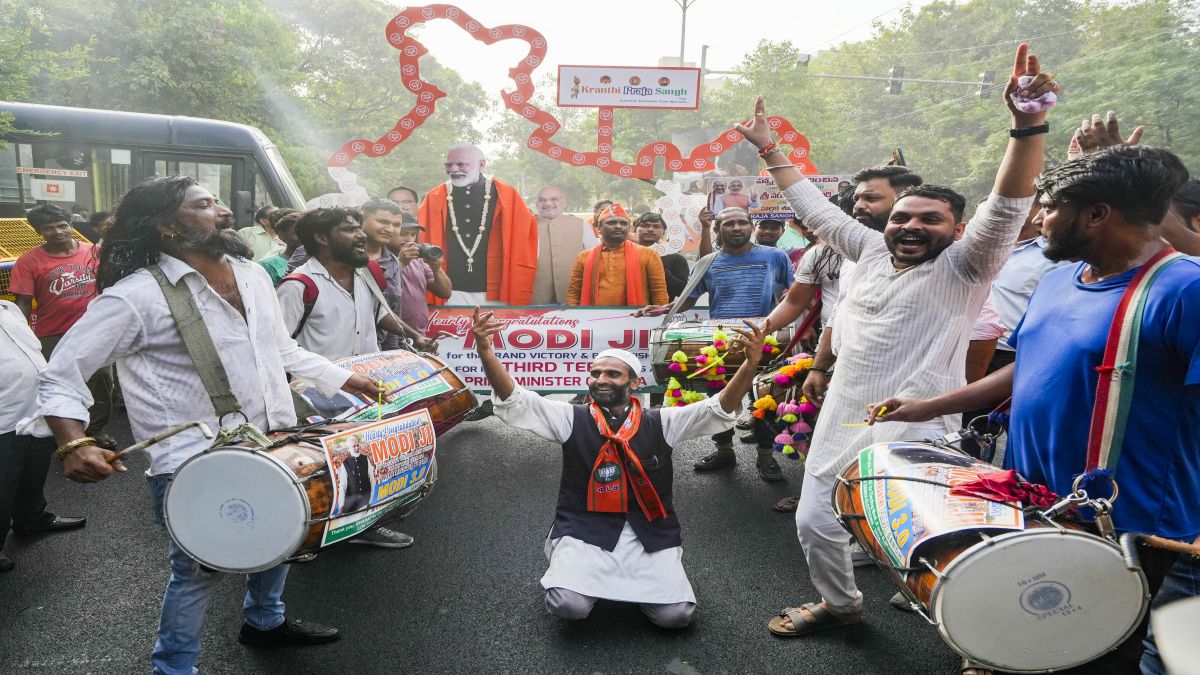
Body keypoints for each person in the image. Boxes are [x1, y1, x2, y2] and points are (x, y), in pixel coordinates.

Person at [743, 44, 1056, 640]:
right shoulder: (864, 250)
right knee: (814, 523)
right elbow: (809, 203)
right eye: (901, 219)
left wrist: (1027, 125)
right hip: (842, 414)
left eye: (928, 220)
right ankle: (840, 606)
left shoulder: (968, 265)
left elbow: (1009, 203)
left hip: (919, 424)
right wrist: (769, 148)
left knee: (936, 541)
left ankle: (978, 640)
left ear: (957, 230)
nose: (910, 226)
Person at [864, 145, 1197, 675]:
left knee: (1101, 658)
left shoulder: (1185, 289)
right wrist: (930, 406)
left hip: (1131, 529)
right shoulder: (1061, 277)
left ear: (1096, 214)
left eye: (1052, 205)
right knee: (1034, 641)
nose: (1040, 217)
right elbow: (1027, 367)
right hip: (1032, 501)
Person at [32, 176, 384, 674]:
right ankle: (174, 667)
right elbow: (61, 372)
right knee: (199, 570)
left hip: (273, 440)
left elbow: (280, 350)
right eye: (203, 205)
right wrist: (73, 443)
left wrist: (346, 378)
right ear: (168, 228)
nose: (222, 210)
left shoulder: (253, 274)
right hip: (192, 462)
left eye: (217, 200)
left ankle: (265, 621)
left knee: (282, 533)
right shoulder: (135, 298)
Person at [473, 306, 769, 628]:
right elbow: (516, 399)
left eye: (612, 374)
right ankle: (591, 584)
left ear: (635, 382)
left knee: (677, 618)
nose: (601, 379)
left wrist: (751, 364)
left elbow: (719, 408)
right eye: (596, 373)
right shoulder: (570, 418)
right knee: (567, 606)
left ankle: (631, 588)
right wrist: (485, 350)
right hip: (586, 529)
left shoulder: (662, 422)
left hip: (648, 531)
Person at [640, 207, 794, 481]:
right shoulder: (708, 262)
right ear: (718, 230)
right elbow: (690, 297)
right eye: (729, 224)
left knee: (765, 398)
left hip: (765, 338)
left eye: (742, 223)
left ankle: (766, 456)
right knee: (719, 401)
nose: (737, 228)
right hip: (720, 342)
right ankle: (724, 451)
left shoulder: (775, 256)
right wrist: (664, 309)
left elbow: (792, 292)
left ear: (750, 227)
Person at [10, 204, 113, 440]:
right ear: (38, 232)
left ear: (71, 225)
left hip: (95, 330)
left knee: (101, 381)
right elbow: (23, 302)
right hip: (53, 333)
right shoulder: (28, 261)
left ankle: (94, 431)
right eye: (49, 228)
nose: (57, 232)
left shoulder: (95, 252)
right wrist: (20, 337)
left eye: (62, 225)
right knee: (56, 384)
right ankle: (65, 434)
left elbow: (110, 286)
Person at [279, 207, 436, 360]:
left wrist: (416, 336)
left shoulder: (369, 272)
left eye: (360, 229)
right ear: (322, 238)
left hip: (370, 380)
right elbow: (281, 347)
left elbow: (379, 312)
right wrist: (336, 376)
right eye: (349, 230)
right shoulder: (296, 287)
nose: (362, 235)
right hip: (319, 384)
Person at [0, 299, 85, 573]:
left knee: (33, 475)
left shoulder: (7, 309)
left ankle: (31, 519)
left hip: (35, 411)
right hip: (2, 420)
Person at [418, 144, 538, 306]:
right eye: (449, 165)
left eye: (461, 164)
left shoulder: (506, 195)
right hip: (449, 289)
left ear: (481, 164)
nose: (454, 169)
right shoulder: (435, 197)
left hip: (495, 292)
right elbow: (421, 239)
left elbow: (527, 239)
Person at [567, 204, 668, 307]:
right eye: (611, 222)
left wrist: (659, 316)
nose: (618, 226)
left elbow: (659, 291)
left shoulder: (648, 254)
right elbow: (574, 292)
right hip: (593, 318)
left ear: (628, 228)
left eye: (623, 223)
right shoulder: (583, 257)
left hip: (637, 318)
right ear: (599, 227)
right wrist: (574, 315)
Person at [531, 186, 596, 305]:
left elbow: (593, 260)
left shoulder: (581, 225)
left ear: (563, 202)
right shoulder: (526, 225)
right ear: (536, 204)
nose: (548, 203)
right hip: (536, 297)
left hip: (574, 296)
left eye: (554, 199)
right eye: (542, 200)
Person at [390, 211, 452, 334]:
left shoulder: (418, 259)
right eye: (403, 234)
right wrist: (400, 262)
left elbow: (445, 293)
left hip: (418, 335)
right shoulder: (378, 257)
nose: (409, 239)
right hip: (389, 336)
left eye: (413, 234)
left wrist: (436, 268)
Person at [633, 212, 690, 300]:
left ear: (664, 232)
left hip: (660, 311)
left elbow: (682, 291)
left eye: (656, 226)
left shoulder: (676, 259)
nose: (650, 229)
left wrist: (658, 265)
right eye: (645, 226)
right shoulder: (624, 253)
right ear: (635, 230)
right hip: (626, 309)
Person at [257, 210, 301, 285]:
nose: (304, 237)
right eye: (297, 233)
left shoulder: (319, 260)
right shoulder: (268, 266)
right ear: (281, 235)